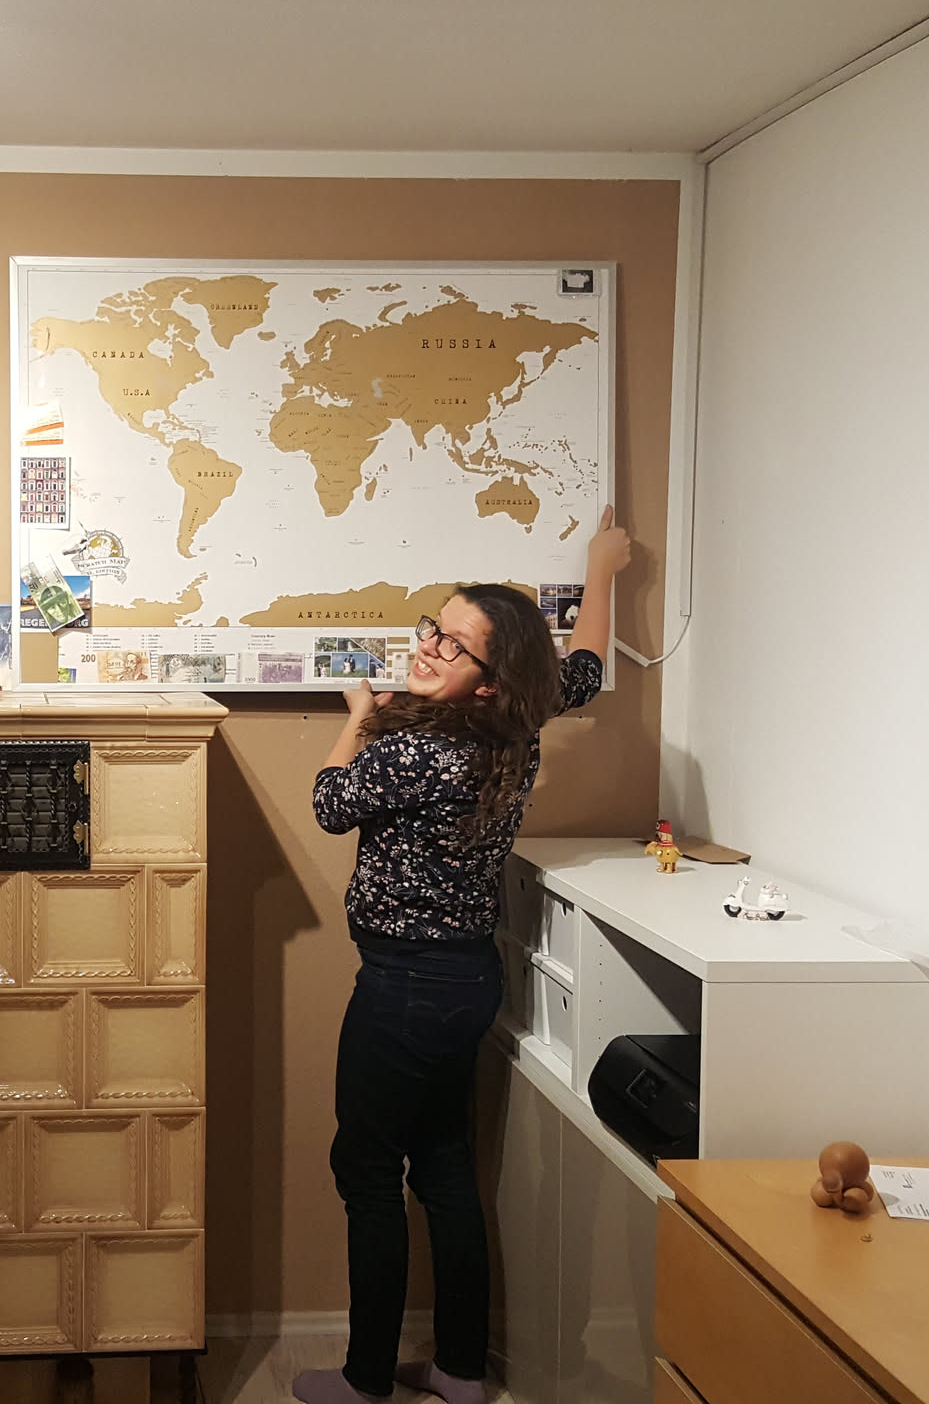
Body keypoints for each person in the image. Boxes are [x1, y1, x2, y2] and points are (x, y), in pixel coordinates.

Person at [293, 507, 632, 1404]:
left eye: (454, 645)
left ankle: (367, 1381)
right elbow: (585, 671)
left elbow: (329, 803)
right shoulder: (518, 722)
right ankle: (459, 1370)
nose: (430, 647)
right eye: (433, 628)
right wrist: (602, 570)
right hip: (463, 980)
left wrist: (358, 718)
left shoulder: (420, 748)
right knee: (443, 1165)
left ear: (489, 682)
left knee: (367, 1172)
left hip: (404, 987)